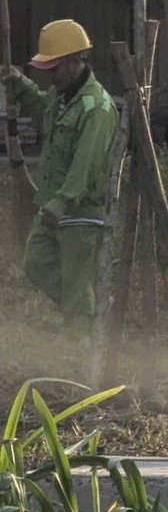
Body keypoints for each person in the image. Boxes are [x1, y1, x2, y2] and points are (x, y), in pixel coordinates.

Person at [1, 19, 119, 324]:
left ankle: (79, 342)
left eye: (53, 70)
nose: (50, 78)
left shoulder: (96, 108)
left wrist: (61, 202)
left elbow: (86, 164)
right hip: (54, 202)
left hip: (80, 209)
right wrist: (21, 86)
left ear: (73, 62)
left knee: (79, 287)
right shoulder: (63, 96)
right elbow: (43, 108)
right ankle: (84, 314)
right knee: (36, 263)